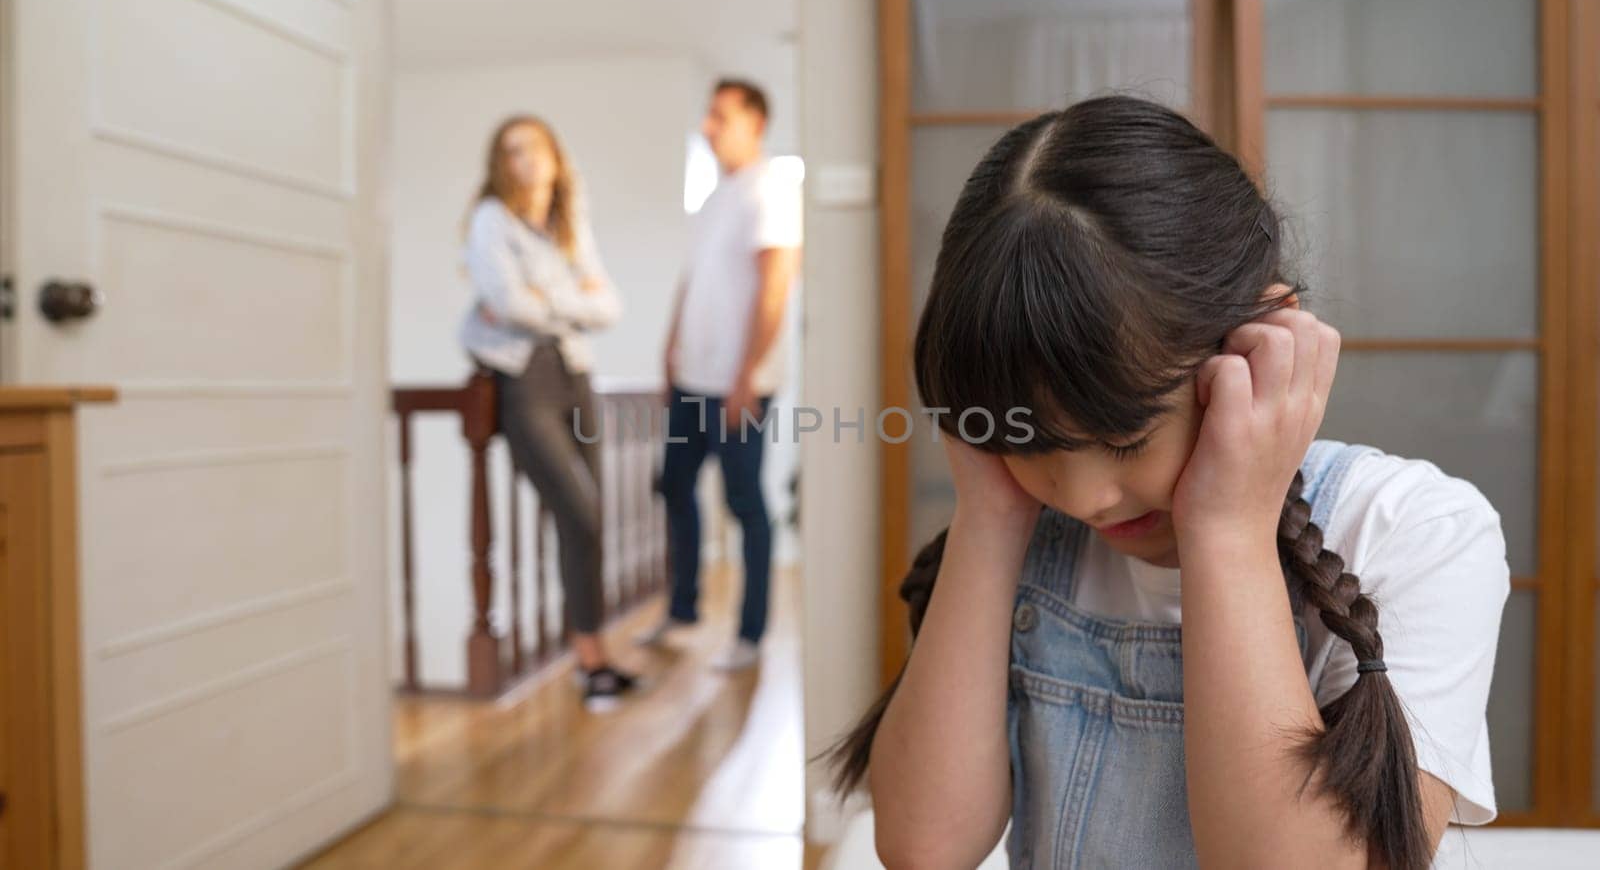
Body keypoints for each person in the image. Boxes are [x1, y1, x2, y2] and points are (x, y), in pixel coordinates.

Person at [827, 96, 1509, 869]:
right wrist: (988, 510)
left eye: (1124, 440)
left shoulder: (1415, 532)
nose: (1081, 498)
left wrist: (1229, 531)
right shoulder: (1021, 524)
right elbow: (924, 847)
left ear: (1259, 342)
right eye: (1033, 440)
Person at [459, 115, 636, 712]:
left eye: (534, 149)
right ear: (499, 164)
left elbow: (610, 306)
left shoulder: (568, 225)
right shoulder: (491, 222)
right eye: (511, 151)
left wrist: (547, 302)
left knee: (590, 519)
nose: (525, 161)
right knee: (579, 511)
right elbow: (509, 304)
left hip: (574, 373)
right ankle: (588, 659)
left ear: (555, 158)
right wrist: (569, 301)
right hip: (523, 380)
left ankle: (595, 654)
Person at [635, 79, 803, 671]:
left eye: (720, 116)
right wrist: (670, 347)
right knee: (674, 485)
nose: (709, 126)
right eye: (708, 115)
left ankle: (750, 633)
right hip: (691, 383)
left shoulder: (772, 190)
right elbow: (695, 280)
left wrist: (746, 377)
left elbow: (775, 286)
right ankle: (683, 610)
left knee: (744, 502)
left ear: (754, 123)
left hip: (738, 386)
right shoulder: (714, 197)